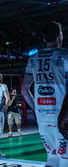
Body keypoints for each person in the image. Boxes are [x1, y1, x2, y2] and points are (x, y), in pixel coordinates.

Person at [22, 21, 68, 166]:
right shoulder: (65, 55)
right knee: (65, 159)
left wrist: (37, 110)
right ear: (59, 36)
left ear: (43, 38)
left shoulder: (33, 58)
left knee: (52, 158)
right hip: (63, 117)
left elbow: (24, 89)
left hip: (43, 118)